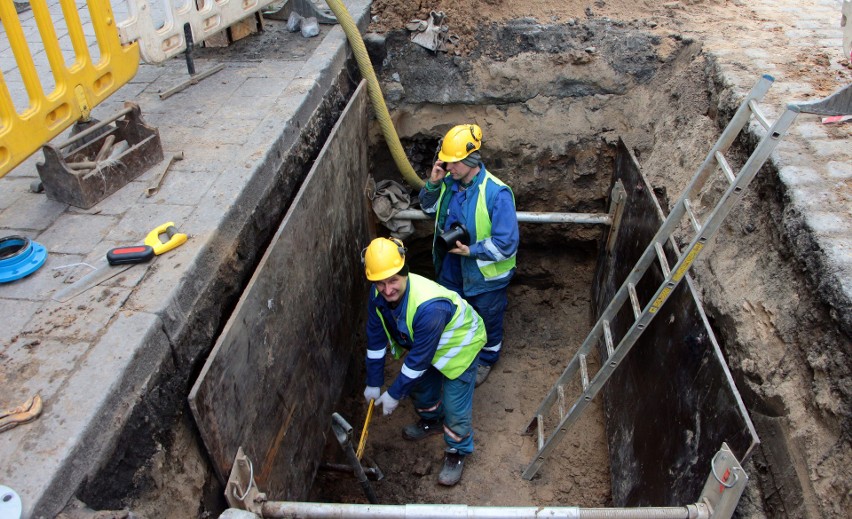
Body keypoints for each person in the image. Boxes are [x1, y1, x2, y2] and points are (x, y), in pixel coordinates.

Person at [361, 237, 485, 487]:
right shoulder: (378, 296)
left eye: (393, 280)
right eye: (380, 283)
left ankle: (456, 452)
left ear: (405, 271)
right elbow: (375, 339)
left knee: (455, 407)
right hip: (427, 346)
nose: (387, 290)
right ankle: (432, 420)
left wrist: (395, 393)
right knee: (421, 389)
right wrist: (373, 381)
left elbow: (418, 361)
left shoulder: (430, 307)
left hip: (460, 348)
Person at [419, 123, 519, 387]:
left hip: (485, 277)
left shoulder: (497, 193)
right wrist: (433, 181)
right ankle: (456, 352)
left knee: (488, 318)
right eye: (447, 162)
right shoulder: (448, 184)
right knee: (450, 313)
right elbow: (428, 210)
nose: (449, 167)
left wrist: (470, 250)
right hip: (452, 268)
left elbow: (506, 244)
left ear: (471, 159)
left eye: (454, 163)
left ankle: (487, 358)